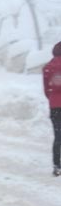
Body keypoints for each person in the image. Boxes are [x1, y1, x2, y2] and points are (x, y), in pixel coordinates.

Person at [43, 41, 61, 176]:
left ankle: (57, 165)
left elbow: (46, 89)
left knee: (58, 136)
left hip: (55, 106)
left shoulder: (48, 67)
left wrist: (53, 99)